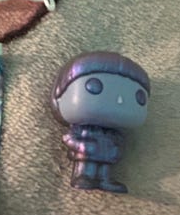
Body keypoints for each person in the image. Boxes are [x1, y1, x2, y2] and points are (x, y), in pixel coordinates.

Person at [51, 52, 150, 193]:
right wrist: (80, 146)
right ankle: (83, 176)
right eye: (94, 86)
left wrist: (117, 150)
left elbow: (120, 141)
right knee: (88, 167)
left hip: (107, 155)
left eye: (139, 97)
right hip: (87, 155)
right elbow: (68, 137)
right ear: (60, 95)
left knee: (105, 168)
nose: (120, 100)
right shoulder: (82, 129)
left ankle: (105, 179)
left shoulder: (114, 133)